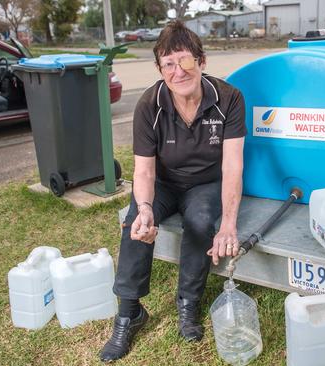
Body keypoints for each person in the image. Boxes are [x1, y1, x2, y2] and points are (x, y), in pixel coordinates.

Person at [99, 21, 246, 362]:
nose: (178, 71)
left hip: (206, 183)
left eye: (186, 61)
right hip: (164, 182)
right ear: (160, 69)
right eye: (168, 63)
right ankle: (129, 312)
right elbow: (144, 169)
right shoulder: (149, 104)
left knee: (200, 220)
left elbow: (233, 165)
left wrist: (229, 224)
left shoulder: (229, 98)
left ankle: (188, 304)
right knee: (136, 219)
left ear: (202, 61)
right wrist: (147, 207)